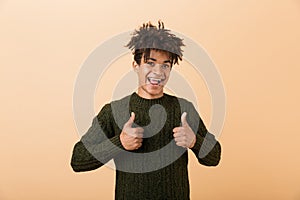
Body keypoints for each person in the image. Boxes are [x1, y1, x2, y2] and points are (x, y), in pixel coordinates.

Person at [71, 21, 221, 200]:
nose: (158, 72)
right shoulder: (114, 111)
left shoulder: (184, 109)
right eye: (150, 63)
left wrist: (195, 141)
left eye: (165, 65)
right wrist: (119, 142)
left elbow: (215, 156)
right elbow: (77, 160)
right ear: (136, 66)